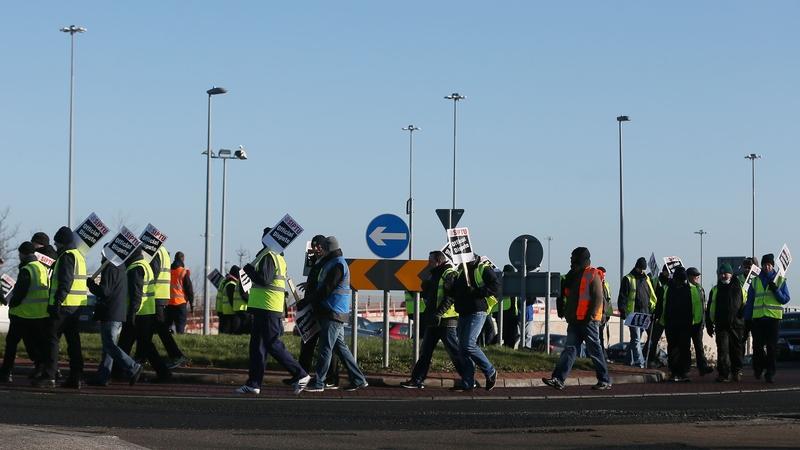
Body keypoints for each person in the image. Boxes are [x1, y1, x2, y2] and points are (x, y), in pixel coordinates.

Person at [236, 228, 310, 395]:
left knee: (272, 344)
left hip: (267, 307)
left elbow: (264, 279)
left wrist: (250, 272)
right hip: (263, 308)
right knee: (257, 348)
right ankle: (253, 383)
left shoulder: (269, 256)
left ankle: (301, 375)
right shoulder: (276, 257)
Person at [301, 236, 368, 393]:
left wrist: (310, 299)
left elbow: (327, 288)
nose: (320, 251)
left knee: (325, 348)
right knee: (340, 348)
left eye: (323, 248)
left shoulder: (337, 264)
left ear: (328, 249)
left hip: (333, 311)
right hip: (334, 311)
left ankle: (318, 382)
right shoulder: (333, 262)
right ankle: (358, 379)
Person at [543, 247, 611, 390]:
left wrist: (590, 316)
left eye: (573, 257)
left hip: (588, 321)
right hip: (575, 320)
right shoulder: (573, 275)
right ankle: (558, 379)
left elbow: (598, 297)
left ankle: (604, 380)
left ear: (580, 258)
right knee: (570, 349)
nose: (571, 260)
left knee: (595, 351)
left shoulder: (593, 274)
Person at [33, 226, 88, 389]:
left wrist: (57, 301)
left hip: (64, 305)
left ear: (62, 242)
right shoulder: (79, 255)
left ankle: (50, 375)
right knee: (73, 341)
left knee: (52, 338)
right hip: (76, 306)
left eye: (57, 243)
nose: (56, 245)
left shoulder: (66, 256)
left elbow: (65, 281)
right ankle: (75, 376)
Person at [400, 250, 462, 389]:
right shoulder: (435, 276)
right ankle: (417, 380)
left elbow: (450, 298)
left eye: (431, 262)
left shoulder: (449, 274)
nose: (429, 264)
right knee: (425, 352)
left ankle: (468, 378)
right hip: (433, 321)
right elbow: (430, 295)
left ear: (439, 261)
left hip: (446, 320)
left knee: (454, 351)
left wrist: (438, 313)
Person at [86, 245, 144, 387]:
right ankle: (101, 378)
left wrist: (92, 286)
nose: (101, 255)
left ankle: (132, 367)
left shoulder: (110, 268)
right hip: (117, 311)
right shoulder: (120, 267)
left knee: (109, 345)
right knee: (108, 347)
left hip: (110, 311)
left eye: (103, 253)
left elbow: (105, 291)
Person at [120, 248, 172, 382]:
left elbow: (136, 294)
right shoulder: (144, 265)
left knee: (136, 344)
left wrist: (131, 313)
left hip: (137, 313)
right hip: (145, 311)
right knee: (134, 344)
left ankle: (163, 372)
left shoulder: (135, 268)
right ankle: (117, 371)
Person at [450, 255, 499, 392]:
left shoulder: (483, 268)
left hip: (477, 311)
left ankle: (490, 371)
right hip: (463, 312)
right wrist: (451, 287)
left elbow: (495, 287)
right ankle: (467, 383)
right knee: (462, 349)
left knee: (469, 344)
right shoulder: (460, 270)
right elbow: (456, 291)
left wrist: (477, 292)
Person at [296, 235, 340, 389]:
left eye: (319, 246)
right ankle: (301, 375)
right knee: (307, 342)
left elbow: (325, 286)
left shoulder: (331, 263)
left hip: (324, 310)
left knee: (329, 345)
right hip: (313, 308)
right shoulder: (317, 262)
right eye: (313, 246)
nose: (316, 249)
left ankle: (331, 377)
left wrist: (310, 290)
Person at [1, 242, 48, 383]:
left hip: (22, 314)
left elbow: (20, 293)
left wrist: (12, 304)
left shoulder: (27, 269)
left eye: (20, 254)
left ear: (23, 254)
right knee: (32, 343)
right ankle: (41, 366)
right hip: (39, 314)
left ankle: (6, 372)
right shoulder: (41, 268)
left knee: (12, 344)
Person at [747, 253, 790, 383]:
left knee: (772, 348)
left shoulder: (780, 280)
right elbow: (750, 301)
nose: (767, 267)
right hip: (759, 319)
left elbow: (785, 299)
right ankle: (759, 367)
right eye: (765, 265)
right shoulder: (755, 280)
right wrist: (747, 318)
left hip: (773, 319)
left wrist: (775, 289)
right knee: (757, 347)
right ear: (762, 265)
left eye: (769, 265)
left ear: (773, 265)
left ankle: (770, 373)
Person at [654, 266, 702, 382]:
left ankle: (685, 372)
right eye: (677, 280)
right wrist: (657, 315)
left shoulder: (692, 290)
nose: (679, 283)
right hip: (670, 323)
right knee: (673, 348)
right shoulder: (667, 289)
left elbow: (697, 307)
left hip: (686, 324)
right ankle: (675, 372)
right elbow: (660, 304)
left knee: (684, 348)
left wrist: (697, 324)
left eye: (681, 281)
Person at [143, 245, 187, 369]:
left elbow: (154, 274)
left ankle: (176, 355)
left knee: (158, 327)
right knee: (150, 328)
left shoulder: (155, 252)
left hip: (154, 295)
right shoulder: (163, 251)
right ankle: (141, 357)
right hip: (160, 295)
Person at [706, 263, 745, 382]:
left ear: (731, 274)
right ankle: (724, 373)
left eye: (725, 273)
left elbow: (747, 303)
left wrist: (743, 316)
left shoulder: (740, 287)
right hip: (721, 325)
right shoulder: (715, 289)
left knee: (736, 350)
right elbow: (709, 308)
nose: (723, 275)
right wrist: (709, 323)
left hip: (736, 325)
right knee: (723, 350)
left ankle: (736, 371)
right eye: (721, 273)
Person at [617, 257, 656, 368]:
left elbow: (651, 296)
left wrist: (653, 311)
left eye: (644, 269)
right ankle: (640, 363)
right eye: (641, 269)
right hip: (633, 314)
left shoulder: (647, 280)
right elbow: (622, 297)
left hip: (645, 314)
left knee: (635, 340)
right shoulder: (628, 279)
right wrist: (623, 310)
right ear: (636, 267)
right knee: (636, 339)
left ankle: (628, 362)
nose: (643, 271)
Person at [686, 267, 714, 376]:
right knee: (686, 347)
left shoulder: (700, 288)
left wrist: (704, 320)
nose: (697, 277)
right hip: (688, 322)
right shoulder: (686, 288)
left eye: (698, 275)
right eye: (695, 275)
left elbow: (703, 306)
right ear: (689, 276)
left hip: (698, 322)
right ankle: (686, 369)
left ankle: (702, 367)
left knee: (699, 346)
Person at [646, 265, 671, 367]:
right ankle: (651, 360)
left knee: (671, 340)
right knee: (654, 339)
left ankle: (670, 361)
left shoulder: (672, 282)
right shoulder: (657, 280)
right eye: (667, 272)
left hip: (668, 315)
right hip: (658, 315)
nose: (669, 275)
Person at [167, 251, 194, 334]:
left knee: (166, 325)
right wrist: (192, 303)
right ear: (183, 259)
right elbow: (189, 288)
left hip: (168, 302)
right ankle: (179, 342)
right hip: (180, 304)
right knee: (180, 326)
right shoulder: (183, 272)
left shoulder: (168, 270)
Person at [597, 266, 613, 358]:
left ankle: (602, 355)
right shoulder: (595, 284)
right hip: (597, 315)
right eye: (603, 275)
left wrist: (608, 314)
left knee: (601, 336)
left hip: (604, 315)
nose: (604, 277)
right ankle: (600, 355)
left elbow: (608, 300)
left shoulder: (606, 285)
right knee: (598, 336)